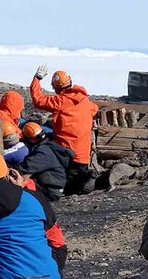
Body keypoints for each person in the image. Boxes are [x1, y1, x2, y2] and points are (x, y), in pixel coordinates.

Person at [30, 66, 99, 195]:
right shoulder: (85, 101)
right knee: (76, 176)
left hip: (66, 151)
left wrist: (37, 79)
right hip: (83, 153)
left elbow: (38, 100)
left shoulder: (61, 101)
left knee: (43, 150)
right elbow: (94, 109)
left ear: (57, 87)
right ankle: (86, 178)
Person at [19, 122, 72, 201]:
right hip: (51, 185)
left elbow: (25, 168)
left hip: (50, 192)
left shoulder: (42, 153)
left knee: (20, 184)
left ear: (32, 140)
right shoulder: (49, 144)